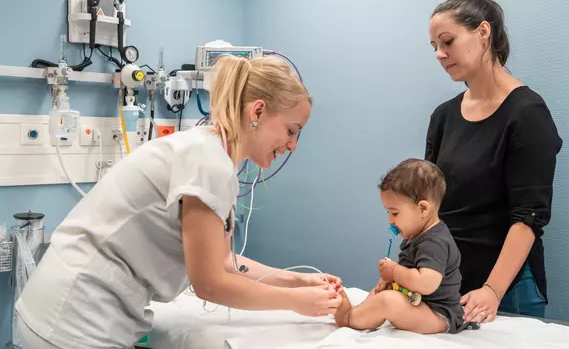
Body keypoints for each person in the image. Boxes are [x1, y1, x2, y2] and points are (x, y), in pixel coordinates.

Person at [14, 55, 342, 349]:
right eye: (291, 130)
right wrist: (295, 301)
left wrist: (296, 280)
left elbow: (222, 262)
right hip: (74, 320)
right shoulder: (208, 162)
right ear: (257, 111)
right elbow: (211, 284)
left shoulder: (208, 153)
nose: (292, 145)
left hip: (61, 310)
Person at [426, 0, 563, 323]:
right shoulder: (444, 116)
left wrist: (492, 290)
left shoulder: (527, 114)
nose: (440, 55)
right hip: (447, 280)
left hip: (505, 290)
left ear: (483, 32)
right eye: (434, 47)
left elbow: (528, 217)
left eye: (447, 42)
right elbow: (427, 203)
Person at [335, 159, 469, 334]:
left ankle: (350, 319)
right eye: (388, 212)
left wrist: (395, 272)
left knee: (388, 301)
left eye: (395, 213)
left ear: (422, 209)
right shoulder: (417, 235)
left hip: (438, 315)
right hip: (419, 304)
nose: (390, 220)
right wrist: (391, 280)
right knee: (382, 290)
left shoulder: (434, 242)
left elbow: (426, 283)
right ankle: (356, 313)